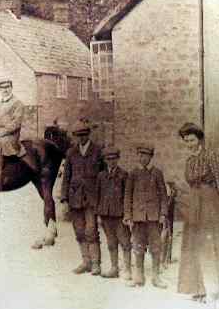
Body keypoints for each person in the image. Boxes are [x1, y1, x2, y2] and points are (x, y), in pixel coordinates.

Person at [177, 123, 219, 302]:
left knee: (213, 243)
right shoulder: (189, 161)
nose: (189, 144)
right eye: (186, 141)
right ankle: (198, 288)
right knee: (194, 245)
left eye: (192, 140)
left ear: (199, 139)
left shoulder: (212, 156)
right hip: (194, 204)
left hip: (210, 204)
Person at [60, 119, 104, 275]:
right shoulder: (71, 153)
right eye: (78, 136)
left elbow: (103, 176)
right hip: (75, 198)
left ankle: (96, 263)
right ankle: (85, 262)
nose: (81, 138)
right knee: (79, 231)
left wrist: (102, 198)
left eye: (83, 135)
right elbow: (66, 177)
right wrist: (64, 199)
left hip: (92, 199)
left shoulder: (98, 151)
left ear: (88, 135)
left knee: (91, 230)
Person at [123, 144, 168, 288]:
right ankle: (139, 277)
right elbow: (127, 196)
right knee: (138, 246)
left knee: (156, 247)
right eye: (140, 156)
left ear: (150, 157)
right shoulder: (133, 174)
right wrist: (128, 215)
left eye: (145, 156)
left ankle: (156, 277)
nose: (142, 158)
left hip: (154, 217)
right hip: (138, 218)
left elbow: (163, 196)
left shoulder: (157, 173)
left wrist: (163, 214)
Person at [0, 79, 36, 191]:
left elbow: (16, 124)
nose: (5, 90)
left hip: (11, 136)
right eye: (2, 88)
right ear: (0, 90)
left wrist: (0, 134)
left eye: (7, 87)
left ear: (11, 88)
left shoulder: (17, 104)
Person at [96, 146, 132, 280]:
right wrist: (99, 215)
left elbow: (127, 196)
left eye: (114, 159)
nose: (111, 162)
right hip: (106, 215)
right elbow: (98, 195)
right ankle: (114, 268)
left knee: (125, 242)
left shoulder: (124, 175)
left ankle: (127, 269)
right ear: (105, 160)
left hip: (120, 215)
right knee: (111, 243)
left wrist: (127, 215)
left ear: (118, 159)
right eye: (108, 159)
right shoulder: (101, 176)